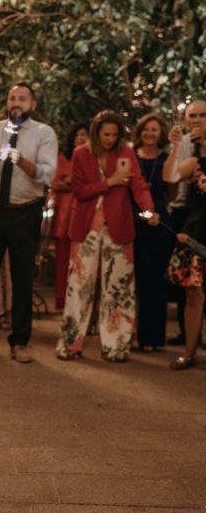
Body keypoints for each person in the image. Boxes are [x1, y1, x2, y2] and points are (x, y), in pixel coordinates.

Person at [0, 83, 58, 363]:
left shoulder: (44, 133)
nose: (17, 102)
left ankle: (20, 342)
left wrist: (22, 161)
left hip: (25, 211)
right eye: (12, 98)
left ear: (33, 104)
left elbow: (48, 175)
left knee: (22, 279)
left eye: (23, 98)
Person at [56, 110, 158, 361]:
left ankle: (116, 347)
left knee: (119, 286)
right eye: (105, 134)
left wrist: (149, 210)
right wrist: (109, 182)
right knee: (79, 286)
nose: (110, 139)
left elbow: (139, 186)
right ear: (95, 132)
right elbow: (80, 190)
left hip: (119, 226)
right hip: (86, 227)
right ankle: (70, 344)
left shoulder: (126, 153)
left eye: (114, 134)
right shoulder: (81, 153)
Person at [164, 105, 206, 370]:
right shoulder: (194, 160)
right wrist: (176, 147)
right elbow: (169, 176)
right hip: (197, 230)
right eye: (193, 116)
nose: (198, 121)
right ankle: (189, 352)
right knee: (192, 294)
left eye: (203, 115)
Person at [132, 113, 175, 352]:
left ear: (161, 134)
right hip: (132, 219)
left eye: (154, 130)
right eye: (146, 129)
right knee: (133, 279)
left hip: (158, 221)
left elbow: (171, 187)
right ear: (140, 132)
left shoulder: (167, 158)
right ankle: (129, 334)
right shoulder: (130, 157)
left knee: (156, 281)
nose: (150, 133)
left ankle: (152, 338)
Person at [50, 123, 90, 310]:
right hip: (64, 215)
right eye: (78, 134)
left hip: (86, 214)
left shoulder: (93, 158)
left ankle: (82, 302)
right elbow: (55, 184)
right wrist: (75, 185)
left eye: (85, 134)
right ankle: (62, 300)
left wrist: (71, 183)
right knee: (63, 259)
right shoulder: (63, 158)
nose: (81, 138)